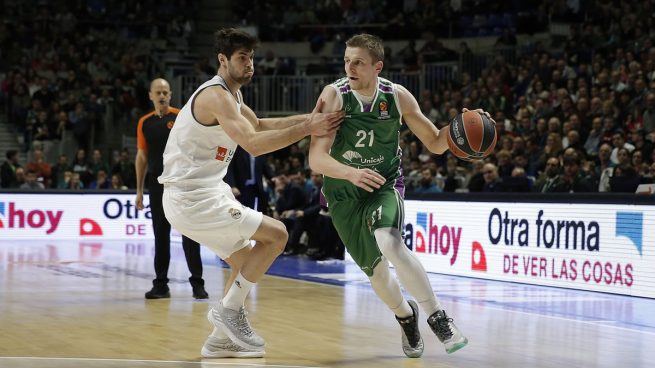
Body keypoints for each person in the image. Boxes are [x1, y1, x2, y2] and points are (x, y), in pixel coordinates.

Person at [157, 28, 343, 358]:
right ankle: (227, 313)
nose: (250, 64)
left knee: (245, 262)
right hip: (191, 196)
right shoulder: (215, 96)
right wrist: (307, 129)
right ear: (223, 60)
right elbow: (254, 145)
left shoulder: (233, 97)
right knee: (278, 236)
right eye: (242, 58)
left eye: (252, 57)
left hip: (205, 192)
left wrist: (316, 120)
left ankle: (219, 340)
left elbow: (259, 126)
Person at [309, 34, 480, 358]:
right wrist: (350, 173)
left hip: (382, 184)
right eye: (347, 60)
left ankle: (438, 317)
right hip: (343, 192)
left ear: (378, 66)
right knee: (376, 273)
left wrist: (460, 127)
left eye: (358, 62)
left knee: (390, 242)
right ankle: (406, 315)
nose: (350, 67)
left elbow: (434, 142)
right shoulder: (334, 95)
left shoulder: (397, 95)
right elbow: (316, 159)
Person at [135, 78, 208, 301]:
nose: (162, 95)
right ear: (150, 95)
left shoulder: (181, 117)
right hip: (157, 186)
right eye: (158, 92)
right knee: (161, 235)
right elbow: (142, 156)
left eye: (165, 92)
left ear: (171, 94)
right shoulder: (144, 122)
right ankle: (161, 284)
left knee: (190, 234)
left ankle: (197, 283)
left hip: (182, 185)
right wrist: (139, 190)